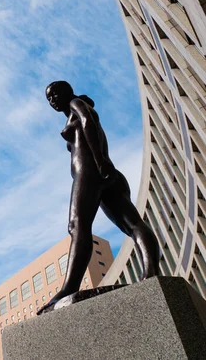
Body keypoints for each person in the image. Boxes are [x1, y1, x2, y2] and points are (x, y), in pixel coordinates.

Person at [38, 81, 159, 314]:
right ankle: (151, 274)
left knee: (77, 225)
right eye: (48, 98)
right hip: (101, 173)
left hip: (90, 172)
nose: (52, 100)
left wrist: (100, 159)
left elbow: (88, 122)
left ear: (67, 91)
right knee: (132, 225)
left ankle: (69, 287)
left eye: (54, 94)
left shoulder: (76, 103)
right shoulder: (74, 108)